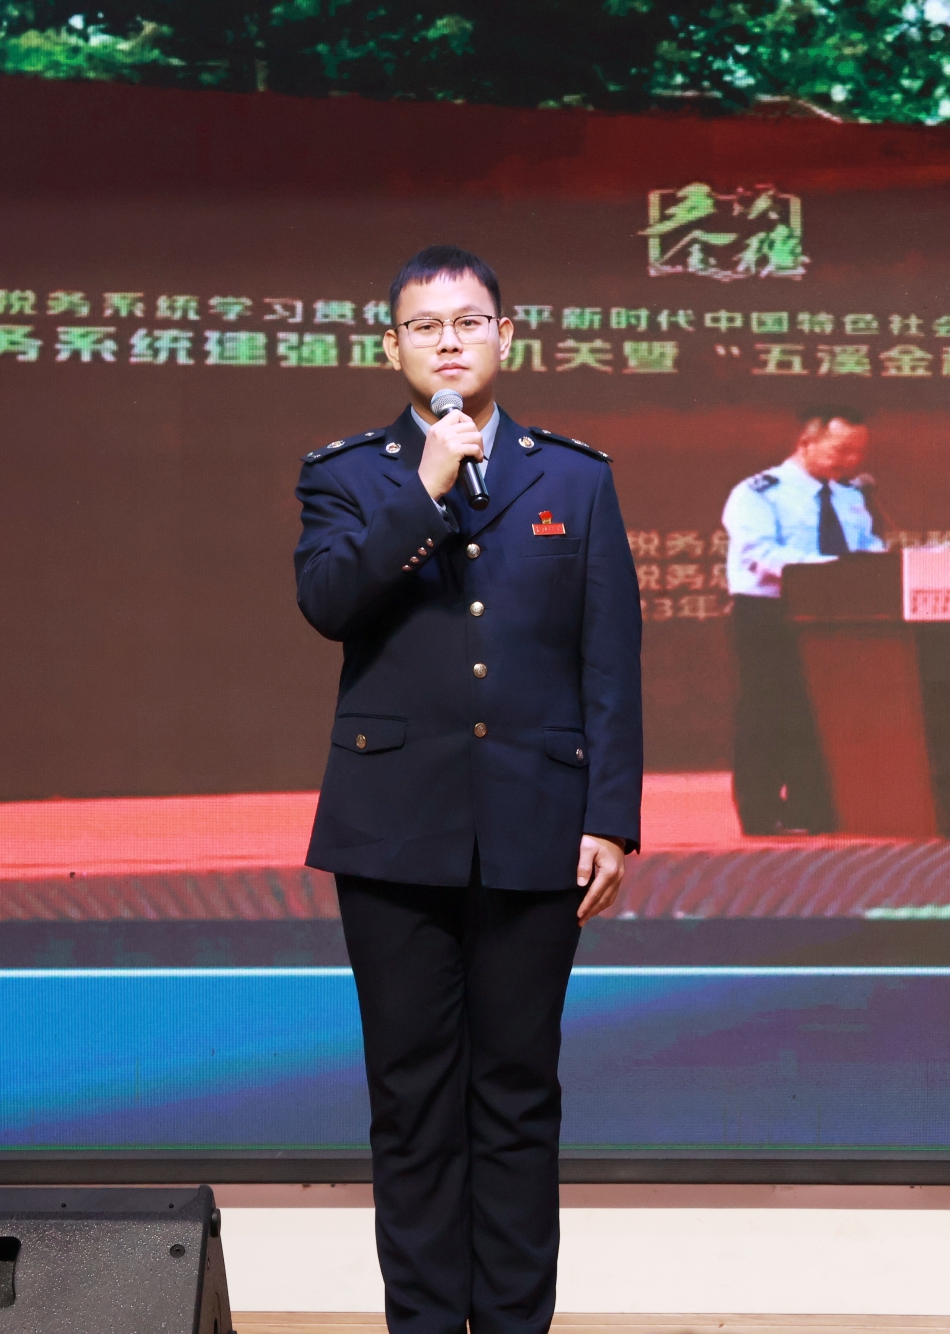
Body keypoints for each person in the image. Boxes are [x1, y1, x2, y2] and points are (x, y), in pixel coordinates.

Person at [293, 245, 643, 1334]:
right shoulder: (348, 475)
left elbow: (609, 661)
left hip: (539, 826)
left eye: (468, 321)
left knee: (517, 1097)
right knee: (410, 1103)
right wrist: (425, 487)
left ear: (506, 335)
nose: (448, 341)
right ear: (390, 345)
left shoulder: (575, 477)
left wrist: (610, 818)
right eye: (424, 325)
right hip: (392, 831)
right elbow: (329, 602)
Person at [719, 406, 884, 836]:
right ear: (806, 443)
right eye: (841, 450)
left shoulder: (850, 496)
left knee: (820, 713)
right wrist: (834, 568)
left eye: (858, 452)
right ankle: (760, 812)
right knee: (766, 712)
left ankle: (812, 809)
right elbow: (762, 554)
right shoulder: (758, 492)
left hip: (833, 616)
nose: (851, 460)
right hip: (769, 613)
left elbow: (868, 548)